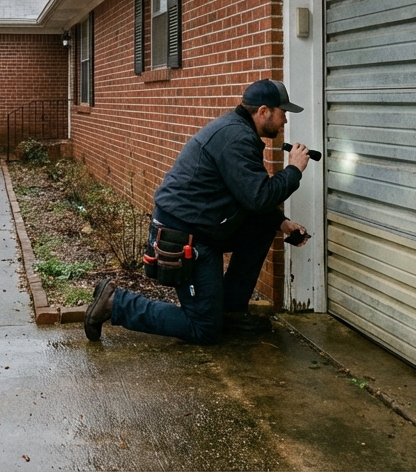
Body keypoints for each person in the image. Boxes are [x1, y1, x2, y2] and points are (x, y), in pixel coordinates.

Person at [84, 79, 313, 344]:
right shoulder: (236, 138)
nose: (285, 120)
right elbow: (259, 197)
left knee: (261, 227)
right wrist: (294, 170)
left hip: (203, 227)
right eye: (282, 112)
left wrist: (280, 222)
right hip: (183, 236)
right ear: (263, 111)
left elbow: (246, 195)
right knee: (204, 329)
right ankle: (116, 303)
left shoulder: (238, 131)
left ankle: (230, 312)